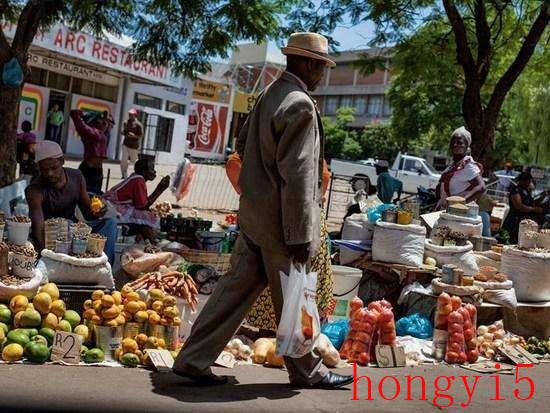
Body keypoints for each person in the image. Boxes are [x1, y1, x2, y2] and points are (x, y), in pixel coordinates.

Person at [173, 32, 352, 388]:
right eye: (319, 66)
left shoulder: (269, 95)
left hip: (255, 217)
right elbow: (300, 177)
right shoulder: (300, 104)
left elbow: (242, 150)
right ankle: (309, 372)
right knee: (296, 298)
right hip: (282, 225)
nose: (321, 74)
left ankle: (192, 359)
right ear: (306, 63)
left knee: (232, 292)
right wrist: (301, 234)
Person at [25, 141, 117, 264]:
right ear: (38, 168)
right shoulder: (34, 189)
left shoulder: (76, 177)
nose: (49, 173)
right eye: (44, 170)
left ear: (62, 161)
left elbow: (87, 214)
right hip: (50, 235)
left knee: (110, 224)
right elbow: (38, 227)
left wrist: (98, 212)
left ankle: (104, 265)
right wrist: (45, 256)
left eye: (53, 168)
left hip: (73, 231)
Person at [103, 158, 170, 242]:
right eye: (152, 169)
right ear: (144, 171)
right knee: (148, 217)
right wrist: (160, 188)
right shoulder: (138, 180)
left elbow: (142, 204)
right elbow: (142, 206)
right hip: (111, 207)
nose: (154, 172)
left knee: (147, 215)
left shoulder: (136, 178)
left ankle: (148, 238)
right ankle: (153, 241)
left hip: (112, 205)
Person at [436, 126, 486, 210]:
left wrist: (458, 203)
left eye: (459, 143)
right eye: (453, 142)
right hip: (445, 211)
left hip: (456, 213)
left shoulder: (468, 165)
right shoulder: (453, 166)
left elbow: (481, 187)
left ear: (466, 146)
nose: (455, 145)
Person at [70, 109, 109, 194]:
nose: (102, 121)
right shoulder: (88, 131)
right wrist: (79, 114)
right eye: (100, 119)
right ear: (95, 121)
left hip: (98, 170)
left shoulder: (99, 131)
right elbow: (76, 119)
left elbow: (105, 124)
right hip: (89, 169)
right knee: (85, 194)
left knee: (95, 195)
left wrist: (104, 116)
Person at [502, 172, 544, 243]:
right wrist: (534, 209)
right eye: (528, 181)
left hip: (524, 221)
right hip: (514, 221)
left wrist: (542, 197)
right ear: (522, 181)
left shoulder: (526, 191)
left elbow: (531, 202)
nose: (529, 183)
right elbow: (519, 206)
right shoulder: (516, 190)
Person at [120, 108, 143, 179]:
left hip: (134, 146)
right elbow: (123, 131)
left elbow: (140, 135)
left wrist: (134, 136)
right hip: (125, 144)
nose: (130, 115)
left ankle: (139, 173)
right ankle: (124, 175)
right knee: (124, 160)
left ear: (135, 115)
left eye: (131, 114)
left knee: (134, 161)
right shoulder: (125, 122)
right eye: (129, 114)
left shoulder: (139, 124)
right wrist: (124, 133)